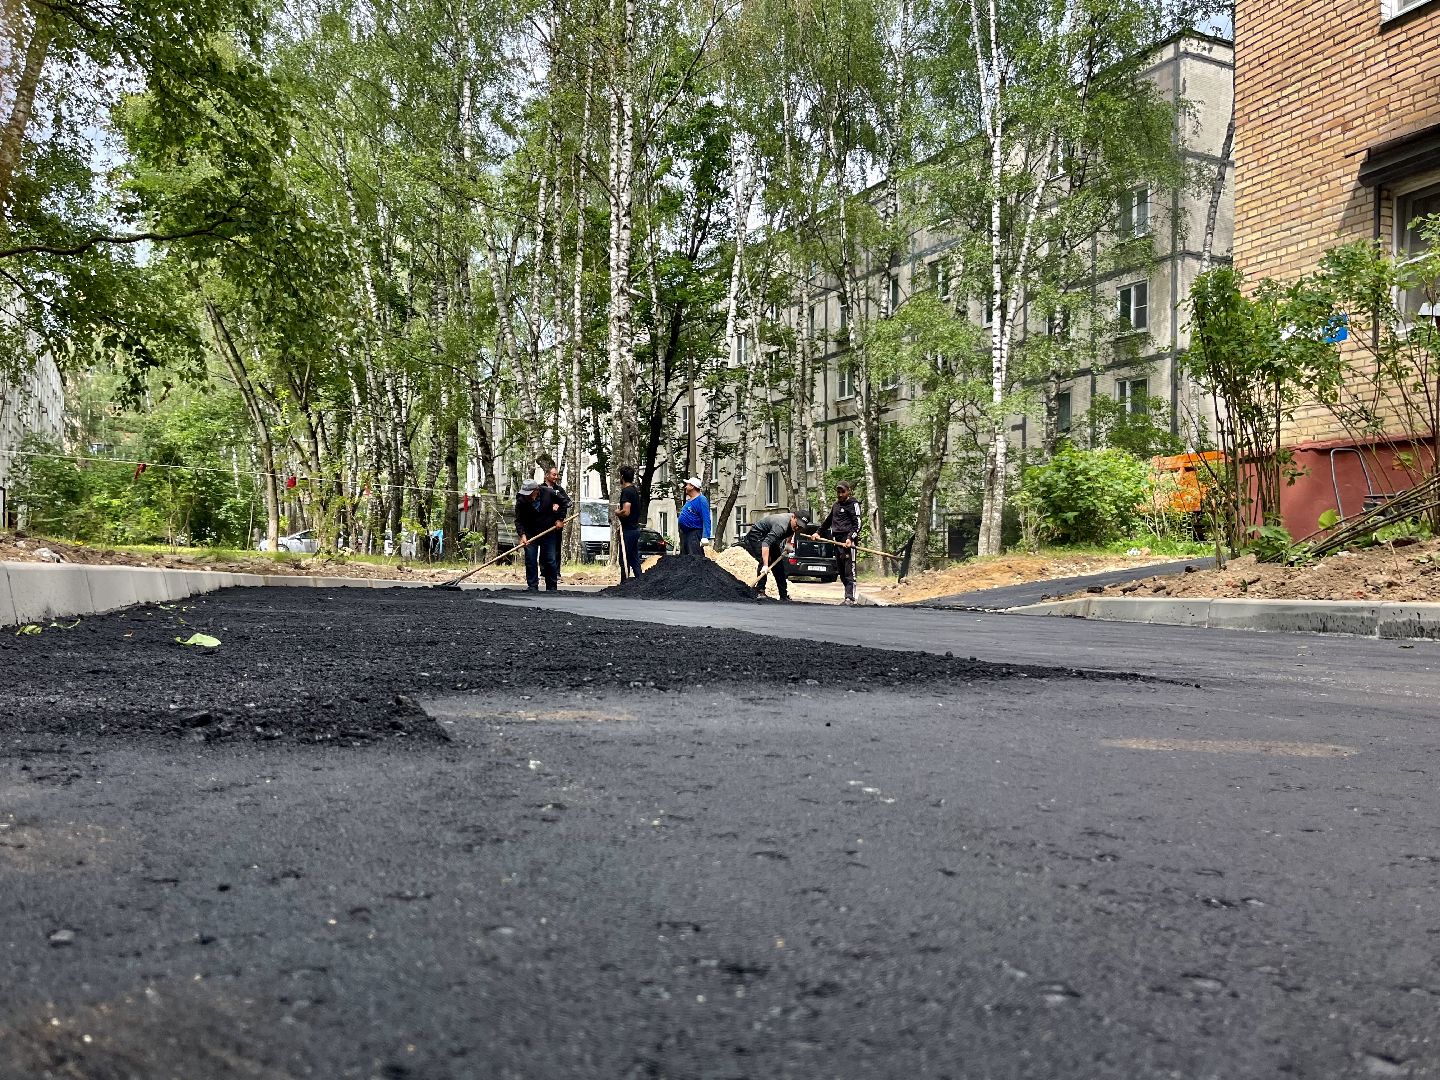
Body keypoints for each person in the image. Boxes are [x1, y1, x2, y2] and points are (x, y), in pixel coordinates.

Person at [741, 510, 812, 601]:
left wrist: (788, 543)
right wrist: (766, 565)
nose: (798, 527)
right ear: (793, 517)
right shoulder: (780, 526)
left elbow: (792, 530)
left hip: (769, 535)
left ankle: (783, 595)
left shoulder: (794, 524)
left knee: (779, 566)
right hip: (757, 535)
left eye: (800, 526)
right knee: (765, 560)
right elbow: (766, 544)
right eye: (797, 524)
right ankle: (759, 591)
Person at [820, 481, 863, 605]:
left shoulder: (853, 504)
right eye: (838, 492)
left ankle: (850, 597)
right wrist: (818, 532)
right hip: (837, 541)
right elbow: (828, 521)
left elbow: (858, 524)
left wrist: (850, 538)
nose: (840, 494)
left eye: (842, 492)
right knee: (842, 572)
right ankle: (846, 596)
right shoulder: (836, 506)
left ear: (849, 491)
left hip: (848, 542)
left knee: (850, 571)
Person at [538, 465, 573, 592]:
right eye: (553, 474)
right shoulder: (540, 488)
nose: (556, 477)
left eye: (557, 475)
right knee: (543, 550)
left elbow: (568, 502)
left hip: (556, 524)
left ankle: (556, 572)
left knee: (555, 549)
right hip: (543, 524)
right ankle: (543, 572)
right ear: (547, 475)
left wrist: (559, 512)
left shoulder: (559, 490)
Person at [514, 479, 551, 592]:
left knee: (548, 559)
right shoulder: (521, 499)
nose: (527, 496)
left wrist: (559, 515)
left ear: (536, 490)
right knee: (530, 558)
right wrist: (522, 535)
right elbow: (518, 520)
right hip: (530, 532)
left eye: (529, 493)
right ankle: (533, 586)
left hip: (547, 531)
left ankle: (551, 587)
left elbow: (564, 502)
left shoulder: (548, 493)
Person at [616, 466, 643, 580]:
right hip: (634, 528)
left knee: (624, 558)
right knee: (633, 557)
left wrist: (618, 512)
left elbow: (626, 511)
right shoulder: (634, 490)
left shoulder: (626, 491)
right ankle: (640, 581)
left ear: (622, 477)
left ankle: (625, 582)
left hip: (628, 530)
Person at [677, 476, 712, 557]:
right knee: (685, 559)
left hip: (694, 534)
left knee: (694, 558)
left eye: (688, 485)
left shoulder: (701, 499)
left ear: (692, 486)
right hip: (686, 534)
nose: (685, 487)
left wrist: (705, 536)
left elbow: (706, 518)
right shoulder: (689, 500)